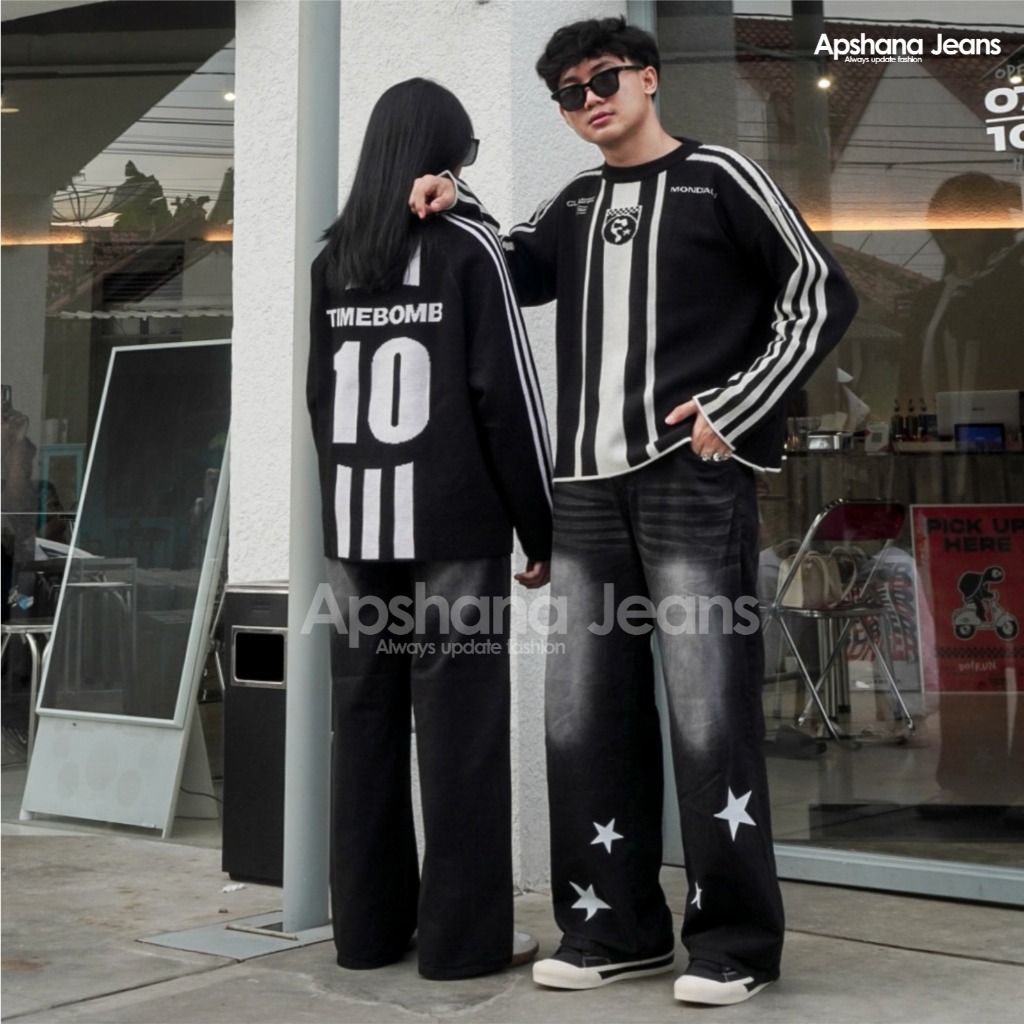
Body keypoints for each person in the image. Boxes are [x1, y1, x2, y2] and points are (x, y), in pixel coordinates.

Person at [410, 18, 857, 1006]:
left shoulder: (721, 178)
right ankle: (611, 925)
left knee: (708, 715)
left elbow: (820, 294)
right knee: (581, 717)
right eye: (569, 93)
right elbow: (511, 266)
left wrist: (737, 406)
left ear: (647, 78)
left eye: (603, 79)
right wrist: (453, 198)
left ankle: (734, 942)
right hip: (583, 493)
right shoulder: (574, 202)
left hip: (689, 483)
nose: (589, 101)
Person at [308, 78, 553, 981]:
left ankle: (367, 933)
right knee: (461, 735)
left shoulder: (332, 262)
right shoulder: (466, 249)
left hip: (356, 528)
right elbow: (506, 399)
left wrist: (344, 512)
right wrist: (541, 528)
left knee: (363, 724)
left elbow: (321, 402)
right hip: (451, 526)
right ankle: (463, 942)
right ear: (447, 158)